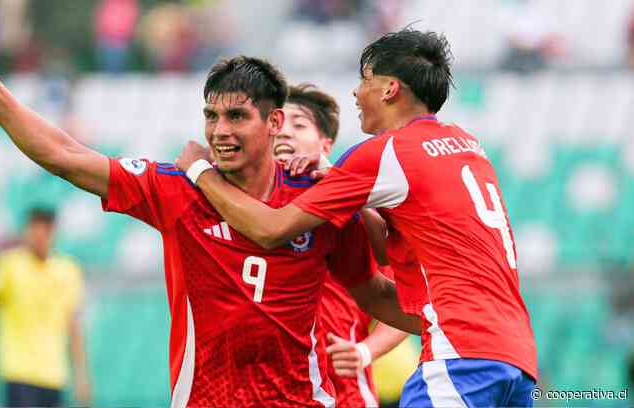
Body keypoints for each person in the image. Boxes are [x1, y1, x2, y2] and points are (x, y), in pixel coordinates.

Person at [0, 35, 419, 407]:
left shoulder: (315, 203)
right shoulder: (176, 190)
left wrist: (457, 322)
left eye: (236, 116)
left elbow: (376, 292)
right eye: (211, 116)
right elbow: (66, 156)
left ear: (274, 121)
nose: (219, 131)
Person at [176, 28, 538, 407]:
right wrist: (338, 182)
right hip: (516, 355)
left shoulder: (383, 154)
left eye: (364, 79)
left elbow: (271, 229)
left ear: (389, 90)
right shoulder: (466, 144)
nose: (355, 92)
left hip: (461, 352)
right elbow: (393, 244)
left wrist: (201, 171)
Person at [276, 83, 410, 407]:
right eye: (276, 124)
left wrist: (366, 350)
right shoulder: (247, 210)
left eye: (299, 124)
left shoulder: (353, 213)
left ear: (325, 143)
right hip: (271, 389)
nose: (284, 133)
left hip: (343, 391)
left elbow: (408, 300)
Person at [0, 207, 90, 407]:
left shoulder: (68, 270)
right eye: (34, 230)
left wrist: (81, 376)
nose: (39, 237)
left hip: (54, 375)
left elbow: (74, 326)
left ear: (53, 232)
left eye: (45, 231)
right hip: (18, 372)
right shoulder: (8, 265)